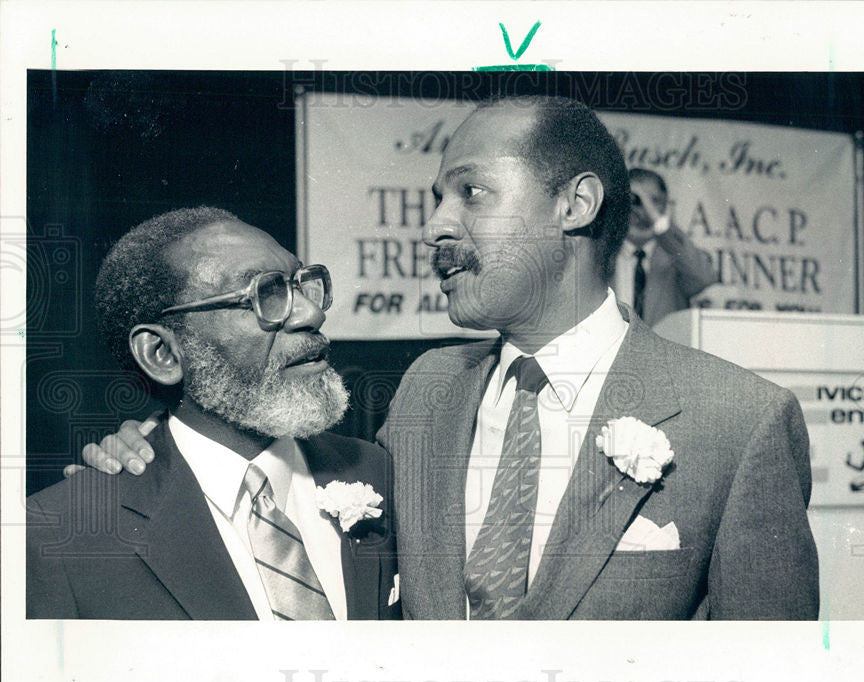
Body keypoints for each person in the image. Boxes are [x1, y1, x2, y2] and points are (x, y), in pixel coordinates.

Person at [72, 96, 819, 620]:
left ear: (576, 204)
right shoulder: (428, 390)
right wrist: (150, 453)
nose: (434, 226)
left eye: (471, 193)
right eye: (437, 197)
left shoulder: (742, 419)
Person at [30, 207, 400, 620]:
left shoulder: (381, 472)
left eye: (301, 285)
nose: (312, 315)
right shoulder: (58, 536)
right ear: (163, 353)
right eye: (265, 294)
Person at [613, 167, 717, 325]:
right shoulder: (601, 255)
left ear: (665, 206)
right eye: (634, 200)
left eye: (654, 200)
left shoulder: (675, 258)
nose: (641, 212)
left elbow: (705, 277)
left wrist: (656, 218)